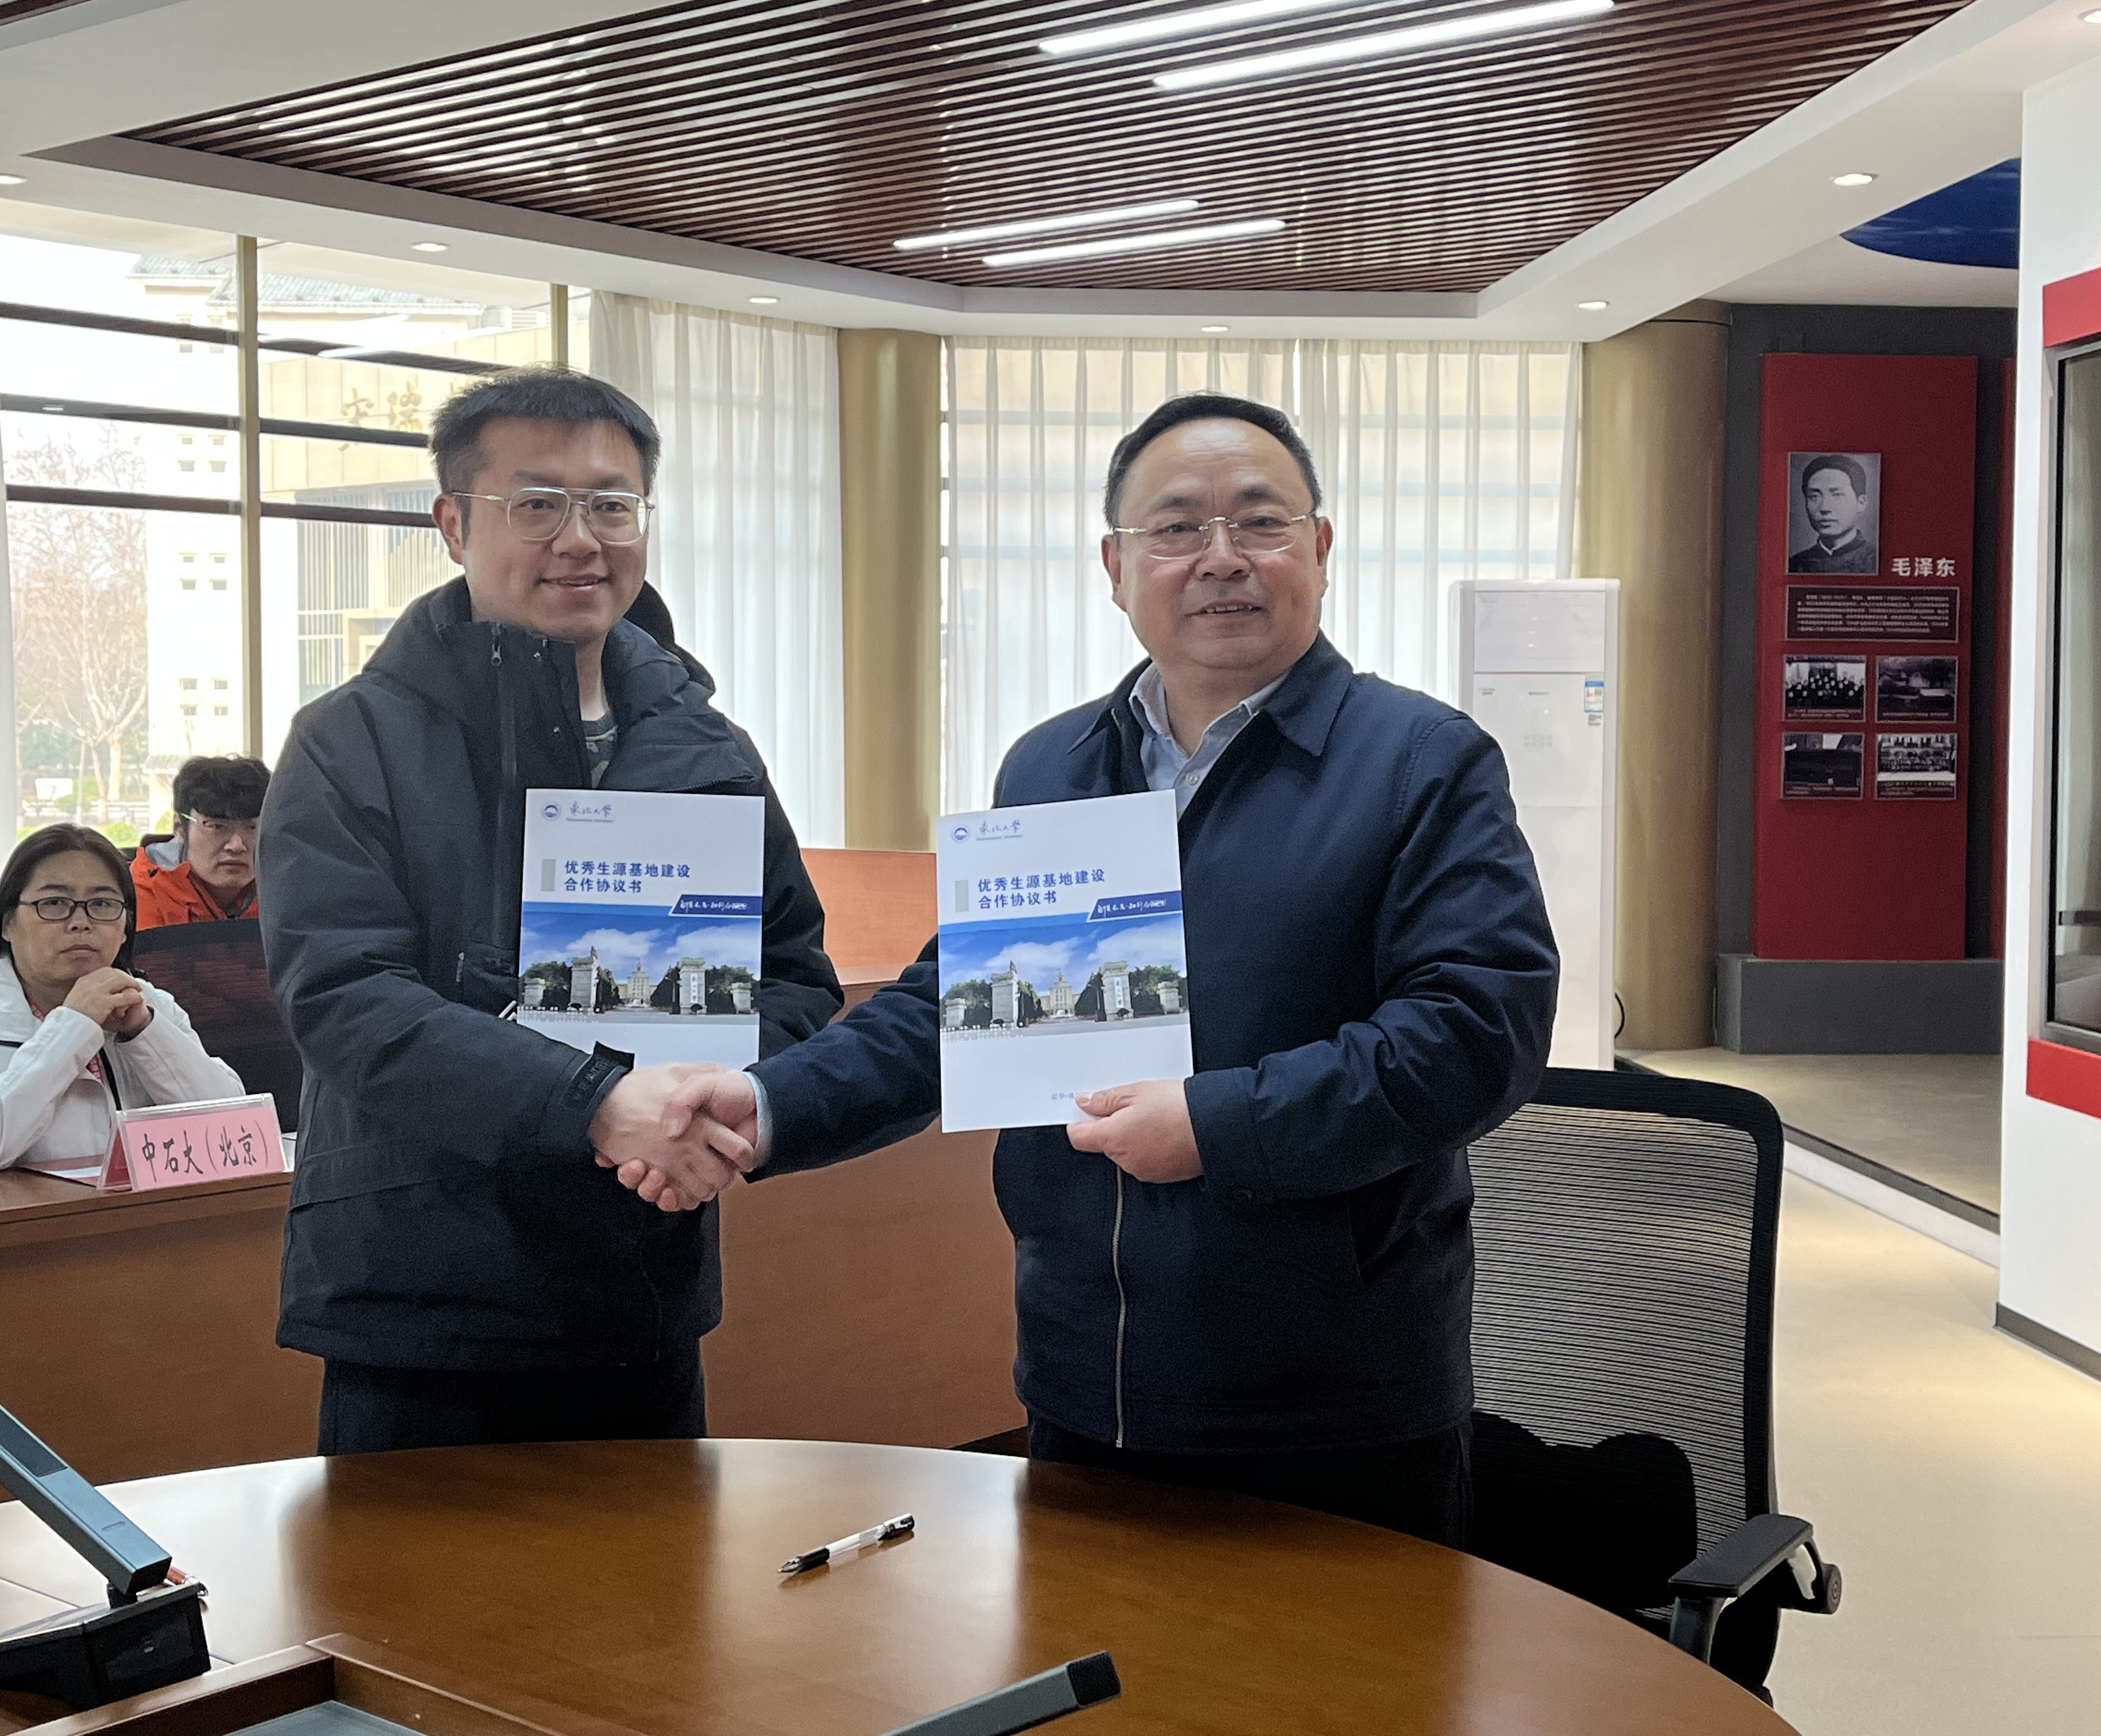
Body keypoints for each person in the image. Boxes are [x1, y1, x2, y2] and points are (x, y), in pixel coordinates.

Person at [615, 394, 1558, 1548]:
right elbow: (962, 1007)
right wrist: (764, 1105)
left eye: (1260, 522)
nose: (1221, 557)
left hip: (1332, 1397)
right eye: (1177, 527)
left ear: (1319, 547)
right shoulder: (1053, 766)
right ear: (1116, 568)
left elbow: (1476, 1031)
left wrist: (1216, 1124)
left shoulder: (1420, 761)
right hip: (1080, 1375)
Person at [258, 366, 843, 1457]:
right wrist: (596, 1104)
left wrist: (704, 1107)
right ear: (453, 524)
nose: (580, 539)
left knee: (655, 1570)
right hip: (423, 1297)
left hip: (640, 1279)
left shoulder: (703, 744)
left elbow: (794, 974)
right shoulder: (351, 740)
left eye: (611, 505)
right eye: (537, 504)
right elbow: (344, 997)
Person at [0, 825, 245, 1176]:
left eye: (102, 904)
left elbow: (237, 1132)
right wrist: (73, 1025)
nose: (81, 923)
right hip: (3, 1212)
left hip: (137, 1209)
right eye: (54, 903)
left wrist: (144, 1032)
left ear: (125, 926)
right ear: (7, 923)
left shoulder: (150, 1005)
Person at [131, 754, 269, 927]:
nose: (237, 846)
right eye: (217, 826)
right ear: (180, 829)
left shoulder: (283, 890)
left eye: (252, 828)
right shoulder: (137, 898)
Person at [1788, 454, 1878, 574]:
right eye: (1814, 497)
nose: (1824, 508)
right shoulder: (1794, 565)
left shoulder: (1877, 560)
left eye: (1837, 495)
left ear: (1861, 503)